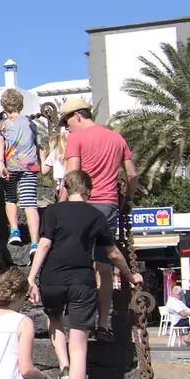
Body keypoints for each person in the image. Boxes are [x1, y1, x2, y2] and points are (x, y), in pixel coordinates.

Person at [28, 170, 139, 379]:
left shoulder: (53, 212)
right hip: (82, 282)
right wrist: (129, 274)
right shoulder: (96, 216)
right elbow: (112, 253)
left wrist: (31, 278)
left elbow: (43, 245)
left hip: (52, 279)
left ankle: (63, 366)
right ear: (89, 191)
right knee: (79, 345)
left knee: (54, 319)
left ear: (65, 188)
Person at [59, 99, 139, 338]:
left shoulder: (77, 139)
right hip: (108, 206)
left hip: (82, 206)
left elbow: (73, 174)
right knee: (104, 268)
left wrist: (61, 205)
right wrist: (129, 199)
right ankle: (103, 322)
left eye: (66, 122)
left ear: (77, 116)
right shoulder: (117, 138)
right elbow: (132, 174)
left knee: (77, 262)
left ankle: (80, 320)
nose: (66, 128)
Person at [0, 89, 42, 247]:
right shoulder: (31, 124)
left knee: (10, 198)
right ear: (21, 104)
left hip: (11, 167)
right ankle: (35, 243)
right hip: (30, 167)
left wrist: (1, 164)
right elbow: (37, 145)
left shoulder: (1, 125)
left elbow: (0, 144)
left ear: (3, 105)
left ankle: (15, 231)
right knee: (30, 204)